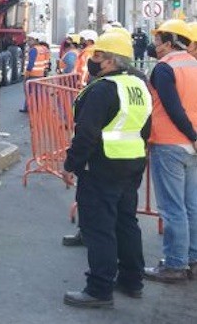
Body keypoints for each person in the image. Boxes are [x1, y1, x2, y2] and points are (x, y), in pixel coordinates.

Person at [61, 31, 152, 308]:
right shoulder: (138, 85)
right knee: (126, 223)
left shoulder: (102, 88)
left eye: (98, 56)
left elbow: (86, 134)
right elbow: (145, 128)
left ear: (112, 60)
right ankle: (131, 280)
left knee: (98, 228)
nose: (92, 60)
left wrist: (71, 165)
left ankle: (99, 289)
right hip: (132, 163)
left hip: (103, 166)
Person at [143, 19, 197, 283]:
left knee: (173, 208)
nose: (156, 48)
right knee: (191, 206)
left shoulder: (165, 69)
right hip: (191, 146)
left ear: (170, 42)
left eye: (158, 43)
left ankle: (175, 265)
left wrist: (191, 135)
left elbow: (173, 108)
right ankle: (191, 259)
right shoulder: (194, 65)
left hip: (170, 143)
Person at [20, 32, 50, 112]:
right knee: (38, 92)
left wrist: (26, 74)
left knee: (28, 92)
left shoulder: (33, 50)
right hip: (40, 74)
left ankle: (29, 108)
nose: (28, 42)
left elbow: (30, 64)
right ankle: (37, 108)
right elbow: (47, 62)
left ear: (36, 40)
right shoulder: (44, 49)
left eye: (30, 40)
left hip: (32, 75)